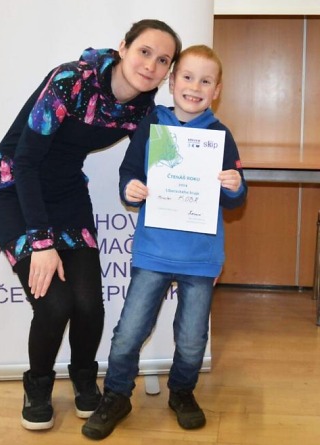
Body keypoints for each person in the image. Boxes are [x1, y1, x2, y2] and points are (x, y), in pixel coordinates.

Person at [0, 19, 181, 431]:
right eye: (144, 52)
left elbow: (152, 166)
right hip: (14, 188)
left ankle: (84, 377)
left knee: (90, 303)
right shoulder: (70, 80)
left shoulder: (144, 109)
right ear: (123, 47)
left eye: (163, 60)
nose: (151, 65)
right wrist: (41, 242)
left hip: (67, 193)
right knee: (55, 303)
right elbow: (25, 161)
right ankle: (38, 386)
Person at [82, 44, 248, 440]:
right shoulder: (152, 124)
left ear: (216, 90)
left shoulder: (220, 136)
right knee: (129, 332)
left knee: (192, 338)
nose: (195, 87)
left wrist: (235, 186)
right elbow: (129, 172)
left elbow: (235, 199)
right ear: (172, 82)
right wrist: (131, 188)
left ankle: (182, 393)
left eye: (205, 81)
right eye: (187, 77)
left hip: (201, 257)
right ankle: (116, 395)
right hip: (153, 252)